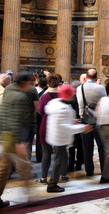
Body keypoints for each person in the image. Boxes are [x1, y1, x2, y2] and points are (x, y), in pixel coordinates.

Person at [45, 85, 92, 192]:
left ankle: (53, 183)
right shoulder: (63, 109)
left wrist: (71, 121)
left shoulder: (55, 103)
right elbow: (65, 127)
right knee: (59, 161)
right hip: (59, 138)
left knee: (60, 160)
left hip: (57, 137)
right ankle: (52, 185)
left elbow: (61, 122)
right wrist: (83, 127)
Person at [0, 72, 36, 208]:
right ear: (25, 82)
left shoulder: (8, 89)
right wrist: (19, 141)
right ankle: (30, 196)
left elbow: (3, 112)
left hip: (5, 134)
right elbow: (16, 119)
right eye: (30, 83)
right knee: (24, 167)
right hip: (13, 137)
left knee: (3, 168)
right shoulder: (20, 97)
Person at [76, 69, 107, 177]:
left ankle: (89, 170)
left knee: (87, 147)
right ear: (96, 77)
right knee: (102, 146)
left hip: (84, 120)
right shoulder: (101, 88)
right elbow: (105, 102)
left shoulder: (80, 88)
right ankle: (104, 170)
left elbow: (79, 104)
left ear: (86, 77)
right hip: (99, 120)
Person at [38, 74, 61, 184]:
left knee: (46, 153)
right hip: (59, 126)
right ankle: (58, 177)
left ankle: (43, 177)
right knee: (59, 154)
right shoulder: (63, 96)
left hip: (46, 124)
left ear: (48, 84)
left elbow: (41, 112)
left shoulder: (44, 96)